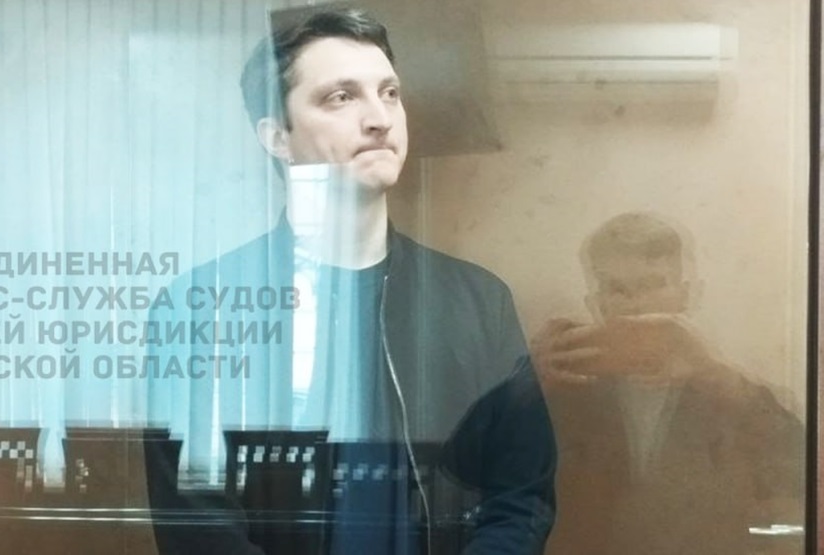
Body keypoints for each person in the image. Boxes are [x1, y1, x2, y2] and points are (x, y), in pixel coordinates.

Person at [146, 7, 555, 555]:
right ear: (277, 137)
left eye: (389, 93)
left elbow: (521, 497)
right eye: (341, 97)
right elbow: (196, 520)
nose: (380, 118)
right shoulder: (202, 306)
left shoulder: (479, 300)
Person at [532, 212, 804, 554]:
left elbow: (798, 473)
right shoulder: (565, 390)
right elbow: (481, 479)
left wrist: (712, 373)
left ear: (687, 295)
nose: (636, 304)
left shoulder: (726, 389)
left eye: (652, 284)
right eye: (617, 289)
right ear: (596, 303)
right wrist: (527, 386)